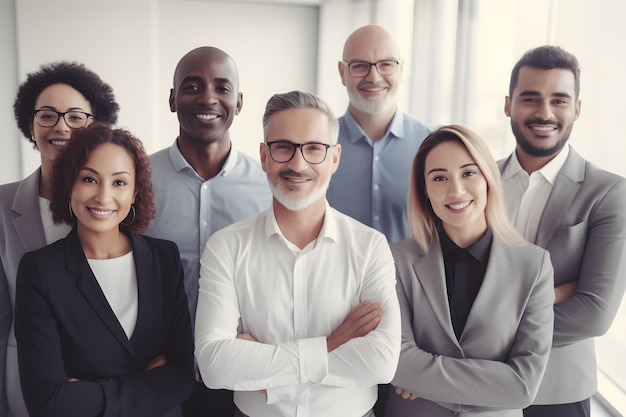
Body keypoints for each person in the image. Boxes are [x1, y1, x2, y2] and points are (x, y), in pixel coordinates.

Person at [194, 90, 401, 417]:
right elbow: (215, 365)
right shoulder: (226, 247)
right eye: (283, 147)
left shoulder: (370, 247)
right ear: (264, 156)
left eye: (314, 149)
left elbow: (381, 362)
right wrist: (332, 346)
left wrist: (264, 370)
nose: (297, 163)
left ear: (334, 158)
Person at [14, 124, 194, 417]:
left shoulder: (164, 258)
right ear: (69, 184)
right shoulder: (40, 272)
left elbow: (182, 378)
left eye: (119, 183)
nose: (103, 196)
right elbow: (47, 403)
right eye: (89, 179)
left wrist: (84, 393)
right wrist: (148, 382)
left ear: (135, 191)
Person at [386, 125, 555, 416]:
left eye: (468, 173)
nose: (456, 190)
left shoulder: (534, 265)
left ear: (488, 178)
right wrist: (492, 384)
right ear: (424, 190)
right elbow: (395, 360)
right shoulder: (396, 259)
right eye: (439, 178)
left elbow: (523, 386)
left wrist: (422, 380)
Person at [499, 45, 626, 417]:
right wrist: (552, 293)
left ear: (577, 109)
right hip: (476, 387)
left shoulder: (609, 192)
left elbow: (594, 311)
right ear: (508, 105)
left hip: (558, 393)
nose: (544, 113)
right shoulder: (477, 181)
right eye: (530, 98)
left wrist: (484, 336)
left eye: (559, 100)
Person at [146, 46, 271, 417]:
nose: (208, 98)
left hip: (242, 372)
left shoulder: (268, 188)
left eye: (222, 87)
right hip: (155, 369)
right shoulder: (135, 181)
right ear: (172, 99)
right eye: (192, 86)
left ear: (240, 101)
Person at [0, 61, 119, 417]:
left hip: (104, 378)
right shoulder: (1, 205)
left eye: (76, 116)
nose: (61, 126)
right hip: (25, 382)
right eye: (48, 115)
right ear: (30, 125)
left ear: (95, 126)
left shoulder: (116, 204)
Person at [327, 24, 431, 244]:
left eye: (386, 64)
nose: (373, 77)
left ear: (401, 69)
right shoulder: (318, 146)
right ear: (342, 72)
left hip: (411, 280)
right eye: (359, 66)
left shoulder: (431, 145)